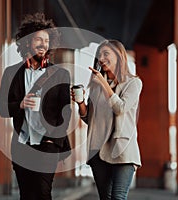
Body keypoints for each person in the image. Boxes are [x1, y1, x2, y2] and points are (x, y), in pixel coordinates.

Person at [0, 13, 71, 200]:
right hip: (22, 144)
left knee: (43, 191)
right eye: (38, 39)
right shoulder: (11, 73)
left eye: (46, 40)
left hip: (48, 144)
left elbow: (66, 111)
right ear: (28, 41)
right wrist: (20, 104)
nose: (43, 44)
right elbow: (1, 109)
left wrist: (53, 140)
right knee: (26, 194)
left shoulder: (60, 73)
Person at [71, 39, 142, 200]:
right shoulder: (95, 86)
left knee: (118, 197)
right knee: (105, 197)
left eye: (106, 54)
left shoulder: (133, 83)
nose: (101, 58)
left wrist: (104, 84)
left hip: (122, 150)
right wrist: (81, 103)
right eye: (99, 55)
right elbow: (89, 118)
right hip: (98, 150)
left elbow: (120, 108)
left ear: (119, 57)